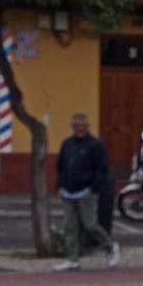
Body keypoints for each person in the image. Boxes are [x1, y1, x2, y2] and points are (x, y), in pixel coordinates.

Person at [54, 112, 119, 271]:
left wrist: (93, 188)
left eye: (82, 125)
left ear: (87, 126)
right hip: (67, 191)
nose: (79, 128)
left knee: (89, 224)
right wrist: (60, 185)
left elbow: (102, 168)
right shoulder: (67, 144)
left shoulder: (96, 145)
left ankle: (110, 247)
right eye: (76, 125)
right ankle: (72, 259)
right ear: (72, 126)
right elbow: (60, 165)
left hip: (86, 191)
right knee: (70, 226)